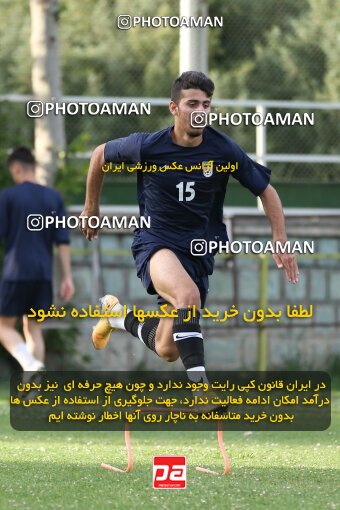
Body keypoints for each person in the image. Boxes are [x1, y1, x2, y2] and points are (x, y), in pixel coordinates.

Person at [80, 71, 298, 390]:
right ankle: (201, 389)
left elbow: (267, 191)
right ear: (174, 108)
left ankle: (116, 317)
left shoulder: (222, 150)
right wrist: (91, 207)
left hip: (198, 252)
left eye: (206, 105)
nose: (200, 111)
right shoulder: (148, 146)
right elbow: (100, 154)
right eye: (192, 103)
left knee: (168, 348)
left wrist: (281, 240)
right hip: (156, 242)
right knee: (187, 296)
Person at [0, 147, 75, 372]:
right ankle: (33, 395)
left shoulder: (8, 196)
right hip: (43, 274)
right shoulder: (53, 198)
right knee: (33, 328)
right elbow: (62, 241)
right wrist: (67, 278)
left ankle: (29, 362)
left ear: (16, 169)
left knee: (3, 326)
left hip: (16, 272)